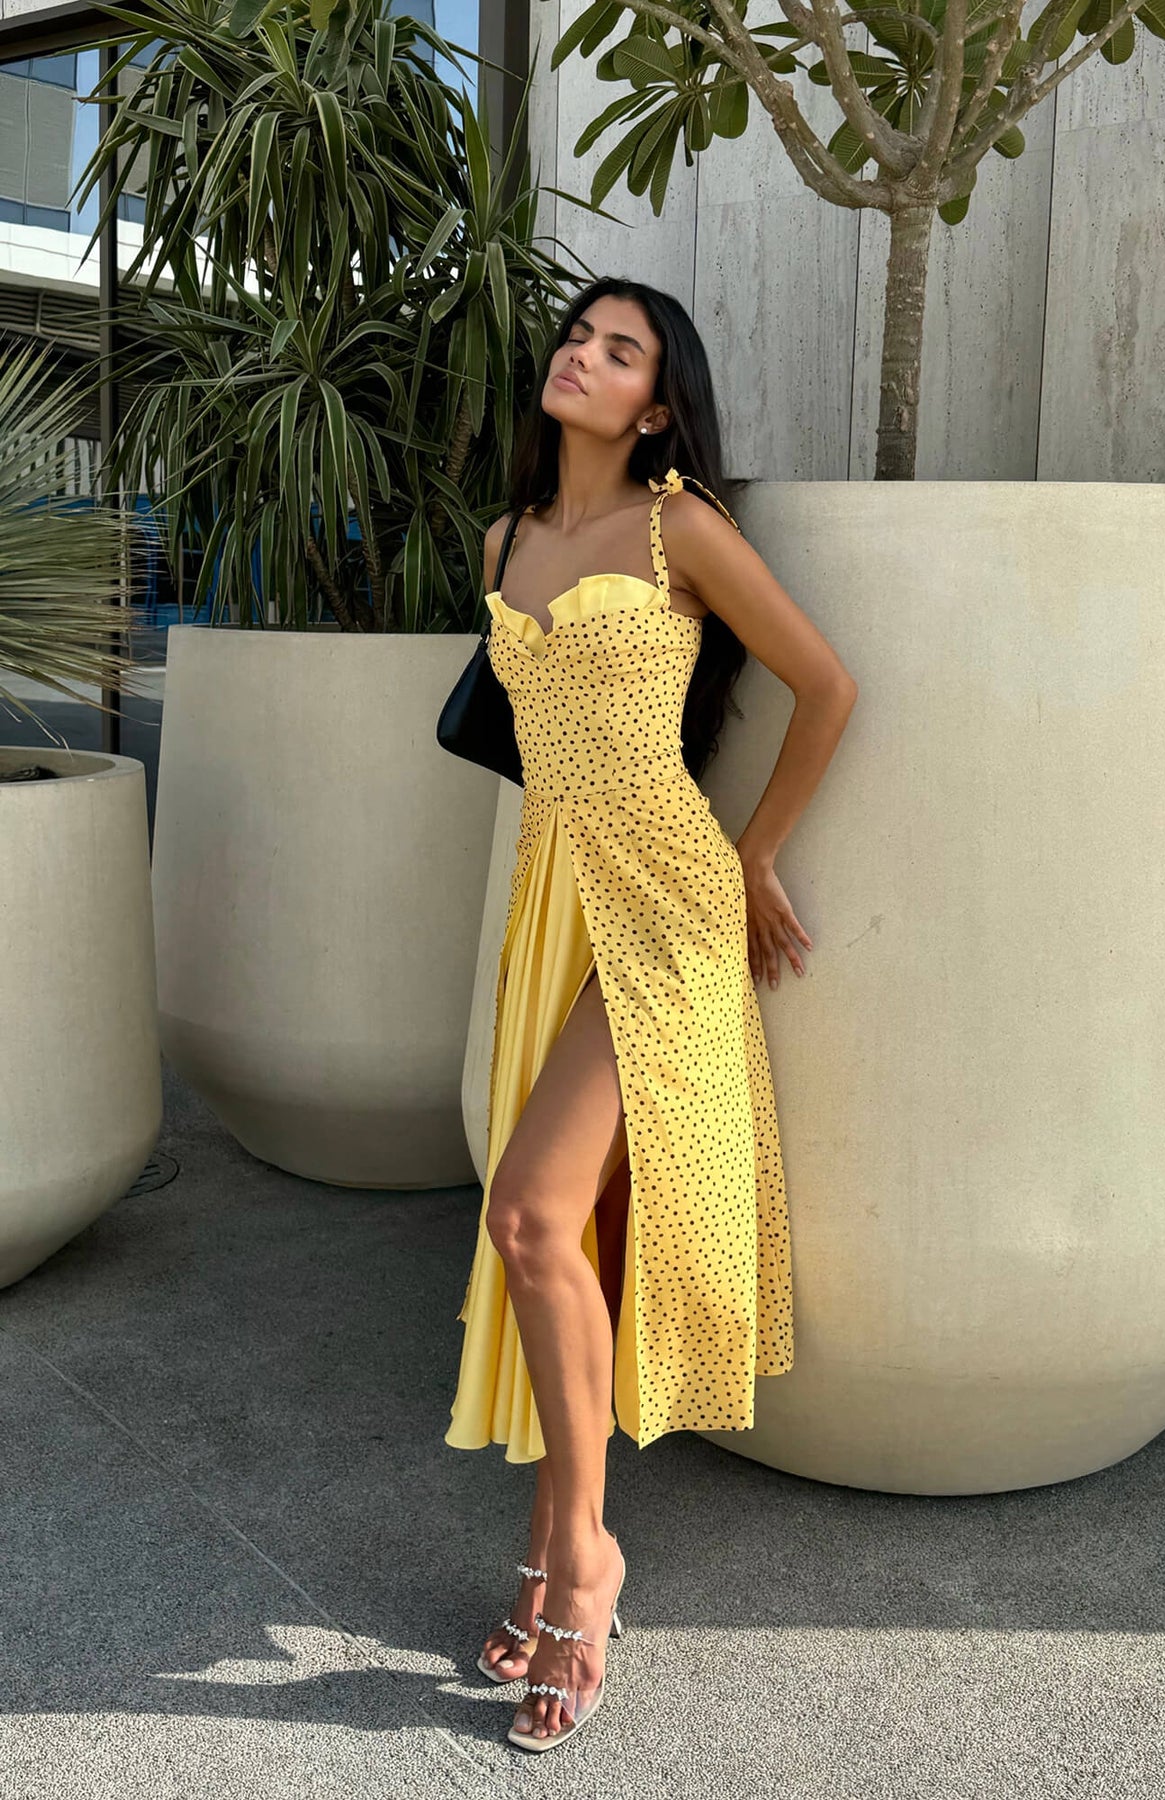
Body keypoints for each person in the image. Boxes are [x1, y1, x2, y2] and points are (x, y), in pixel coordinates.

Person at [443, 277, 858, 1752]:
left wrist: (754, 854)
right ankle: (559, 1551)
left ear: (659, 405)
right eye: (577, 335)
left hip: (667, 896)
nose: (583, 355)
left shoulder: (684, 530)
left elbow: (826, 686)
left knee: (530, 1216)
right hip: (553, 894)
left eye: (619, 350)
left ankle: (581, 1559)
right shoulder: (504, 541)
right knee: (562, 1231)